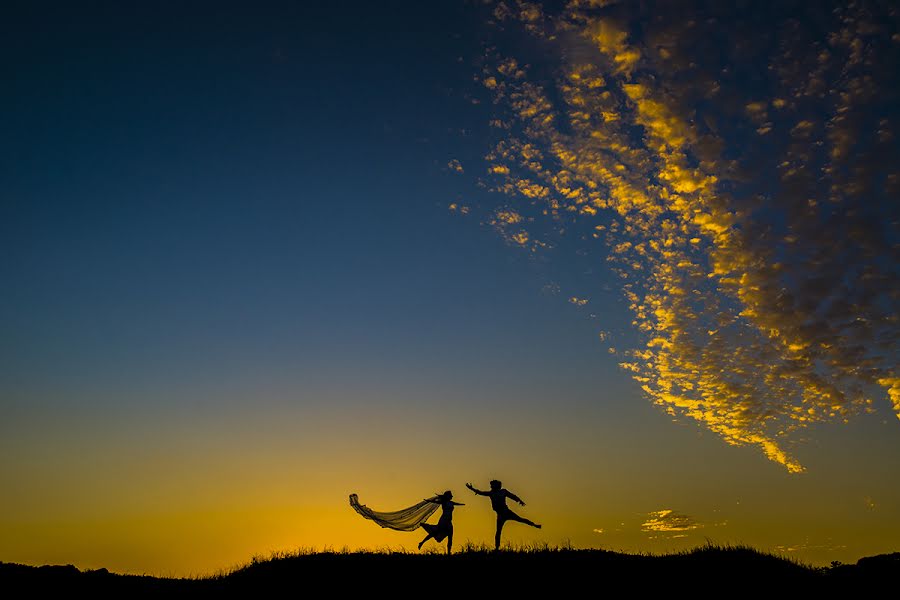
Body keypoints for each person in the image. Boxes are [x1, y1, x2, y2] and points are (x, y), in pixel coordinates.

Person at [466, 480, 540, 550]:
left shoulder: (503, 491)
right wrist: (471, 488)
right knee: (498, 531)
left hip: (507, 512)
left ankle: (534, 524)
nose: (491, 487)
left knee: (520, 519)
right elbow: (480, 492)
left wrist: (519, 501)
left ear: (497, 486)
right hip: (500, 515)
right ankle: (497, 548)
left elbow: (512, 496)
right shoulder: (491, 493)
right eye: (491, 486)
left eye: (492, 485)